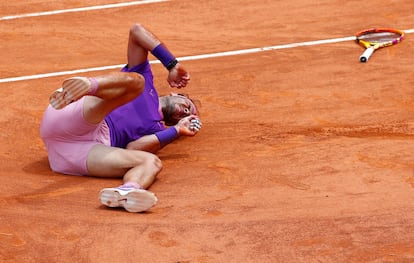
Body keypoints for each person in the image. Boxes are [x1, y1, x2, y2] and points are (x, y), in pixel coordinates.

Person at [40, 23, 202, 213]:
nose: (185, 111)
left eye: (187, 114)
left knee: (152, 162)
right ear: (176, 94)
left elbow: (133, 148)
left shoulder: (159, 130)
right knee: (137, 82)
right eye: (187, 105)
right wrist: (172, 64)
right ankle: (84, 88)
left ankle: (126, 192)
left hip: (74, 154)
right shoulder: (147, 81)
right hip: (75, 117)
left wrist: (175, 131)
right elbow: (136, 31)